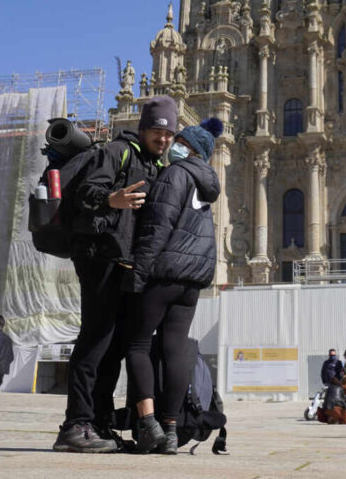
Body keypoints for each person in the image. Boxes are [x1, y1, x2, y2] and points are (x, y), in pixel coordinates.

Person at [53, 96, 177, 453]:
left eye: (169, 134)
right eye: (158, 131)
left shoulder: (152, 164)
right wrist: (112, 199)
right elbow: (85, 193)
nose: (164, 139)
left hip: (123, 262)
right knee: (95, 340)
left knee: (113, 346)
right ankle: (75, 425)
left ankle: (99, 422)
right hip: (99, 256)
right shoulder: (118, 151)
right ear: (144, 129)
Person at [124, 118, 222, 454]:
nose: (172, 146)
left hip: (165, 272)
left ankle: (149, 423)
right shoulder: (206, 183)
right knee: (174, 347)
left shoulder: (175, 174)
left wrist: (138, 274)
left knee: (136, 345)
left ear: (191, 148)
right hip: (192, 279)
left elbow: (158, 226)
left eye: (179, 141)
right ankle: (171, 430)